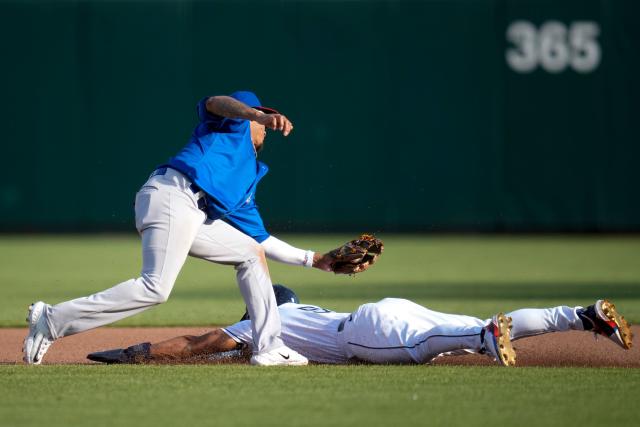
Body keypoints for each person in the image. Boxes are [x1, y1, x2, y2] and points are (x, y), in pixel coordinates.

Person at [23, 91, 351, 366]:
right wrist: (252, 113)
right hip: (173, 195)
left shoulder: (248, 176)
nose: (266, 125)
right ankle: (52, 320)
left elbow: (262, 239)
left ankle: (268, 348)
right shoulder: (230, 125)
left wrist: (316, 259)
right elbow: (215, 102)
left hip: (191, 212)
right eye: (263, 118)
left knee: (251, 254)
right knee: (155, 288)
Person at [87, 285, 633, 366]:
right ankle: (581, 316)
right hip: (386, 308)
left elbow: (200, 343)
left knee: (476, 338)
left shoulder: (265, 322)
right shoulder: (295, 312)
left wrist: (137, 351)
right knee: (485, 325)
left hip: (365, 333)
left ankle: (485, 340)